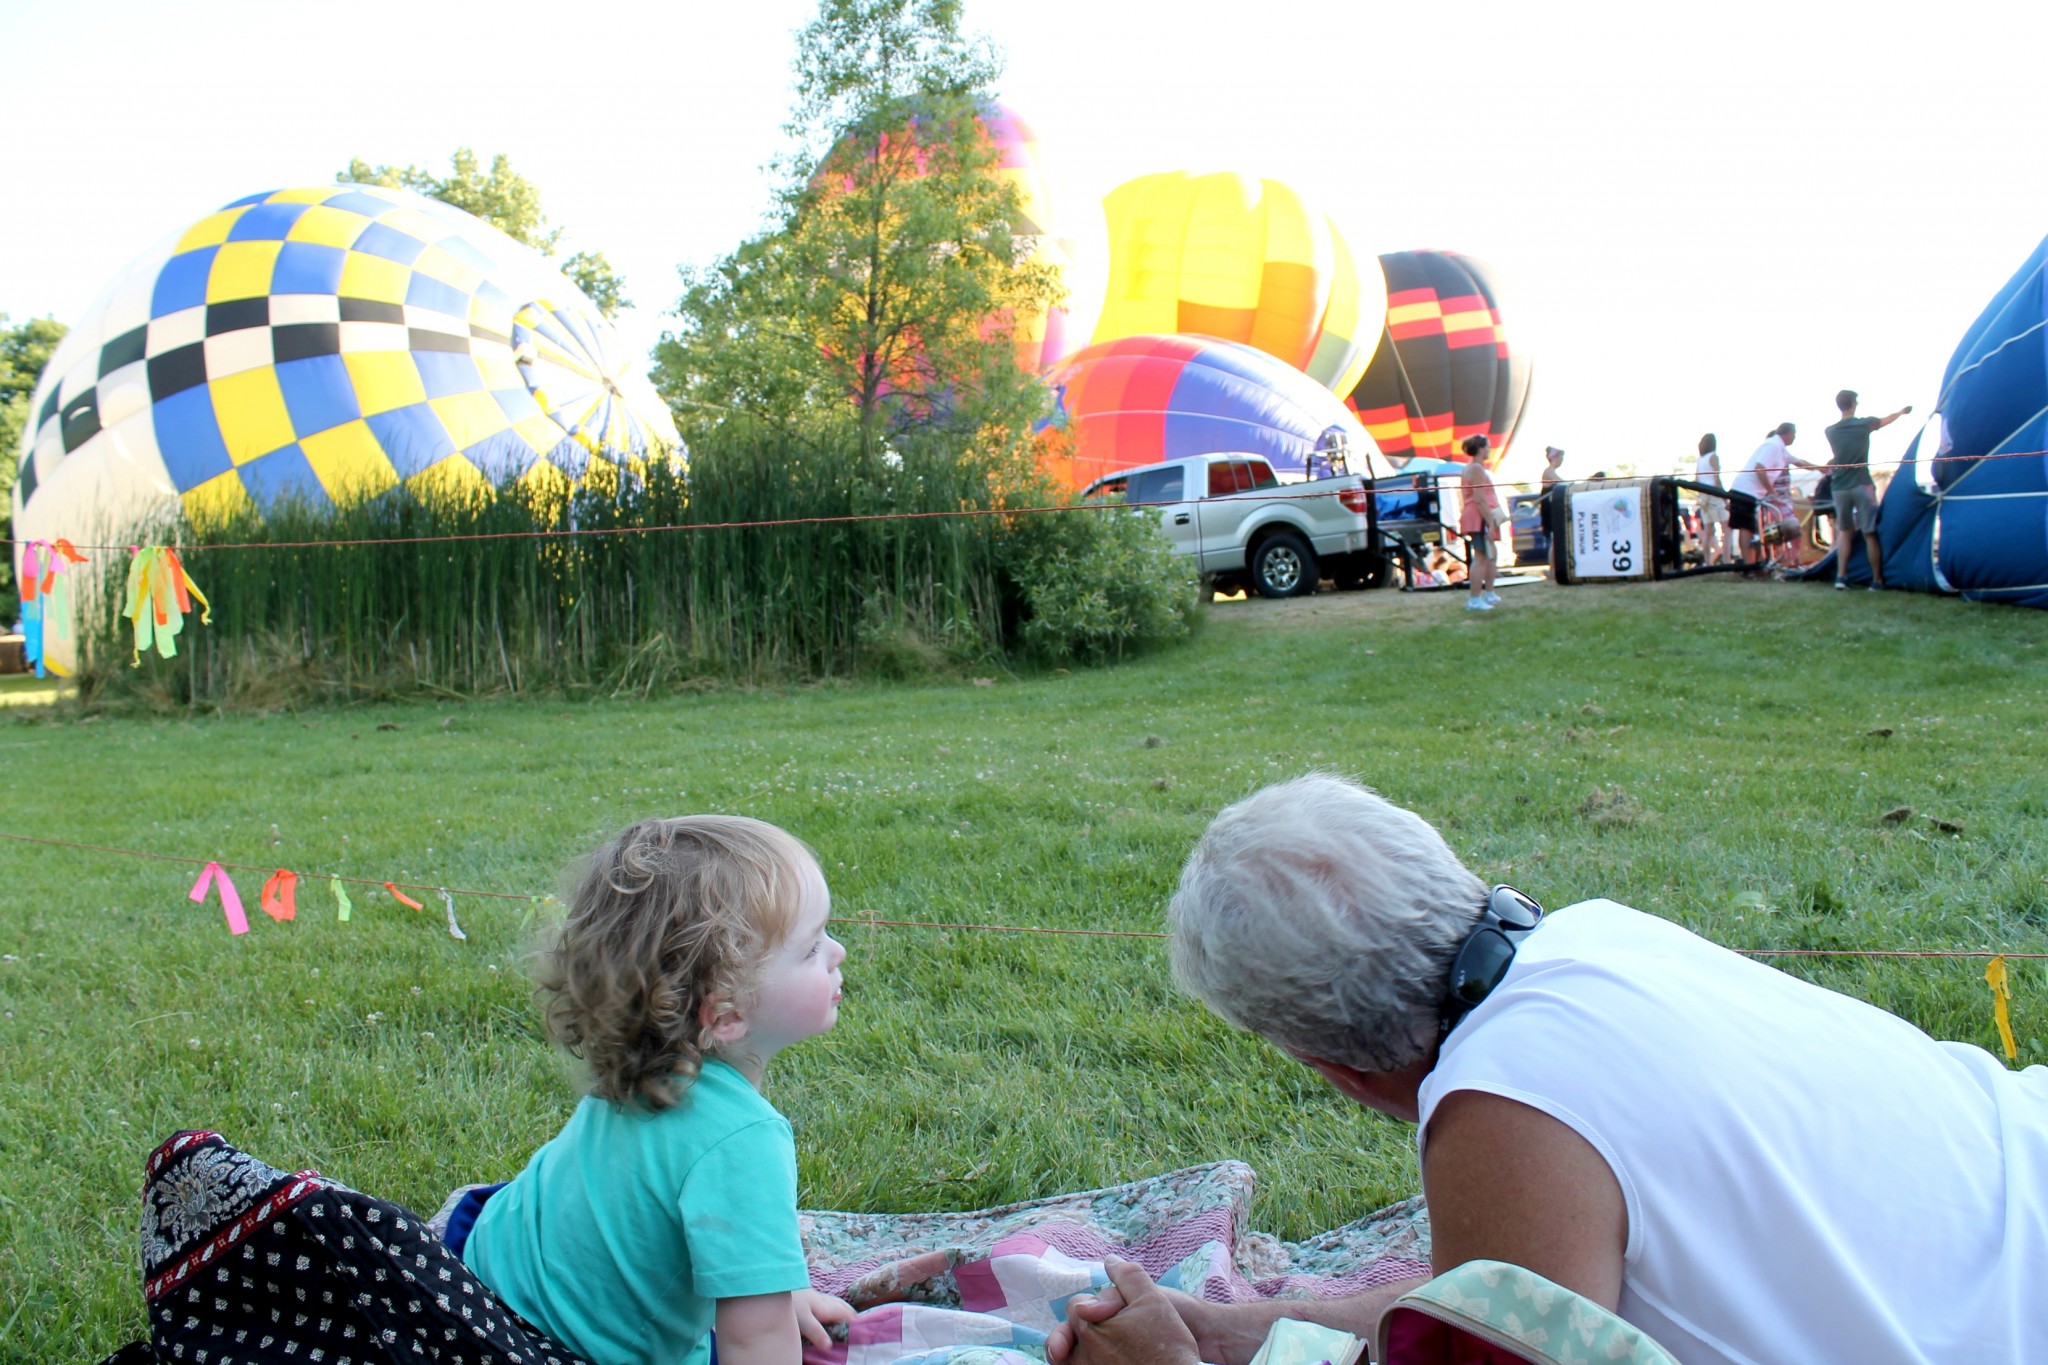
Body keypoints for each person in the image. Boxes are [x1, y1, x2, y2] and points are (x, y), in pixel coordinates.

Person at [1047, 775, 2048, 1365]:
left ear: (1333, 1069)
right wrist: (1236, 1333)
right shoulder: (1602, 938)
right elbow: (1479, 1306)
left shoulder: (1501, 1113)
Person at [462, 815, 854, 1365]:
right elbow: (756, 1342)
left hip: (476, 1299)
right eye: (811, 947)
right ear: (724, 1011)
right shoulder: (743, 1139)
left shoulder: (638, 1067)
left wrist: (773, 1288)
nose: (837, 952)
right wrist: (765, 1313)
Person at [1824, 389, 1910, 590]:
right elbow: (1887, 420)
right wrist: (1902, 412)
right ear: (1853, 403)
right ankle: (1877, 580)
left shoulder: (1830, 431)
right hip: (1862, 484)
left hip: (1839, 487)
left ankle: (1841, 577)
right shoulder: (1864, 424)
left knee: (1844, 532)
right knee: (1869, 532)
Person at [1730, 423, 1823, 572]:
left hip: (1750, 493)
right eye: (1795, 434)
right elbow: (1760, 468)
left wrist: (1820, 468)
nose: (1795, 437)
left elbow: (1800, 462)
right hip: (1745, 492)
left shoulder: (1780, 449)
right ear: (1789, 433)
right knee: (1746, 529)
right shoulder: (1773, 446)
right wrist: (1771, 491)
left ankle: (1757, 565)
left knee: (1751, 529)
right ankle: (1749, 567)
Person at [1455, 435, 1505, 612]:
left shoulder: (1471, 468)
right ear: (1480, 448)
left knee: (1490, 554)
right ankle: (1475, 599)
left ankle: (1489, 593)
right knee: (1481, 556)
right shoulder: (1476, 469)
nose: (1490, 450)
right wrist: (1491, 522)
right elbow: (1480, 499)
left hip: (1479, 514)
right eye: (1488, 447)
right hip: (1479, 516)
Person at [1691, 434, 1731, 565]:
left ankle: (1707, 562)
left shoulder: (1700, 459)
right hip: (1714, 494)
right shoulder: (1713, 457)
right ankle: (1726, 561)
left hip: (1703, 495)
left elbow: (1697, 479)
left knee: (1708, 530)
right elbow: (1716, 478)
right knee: (1726, 530)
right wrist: (1725, 497)